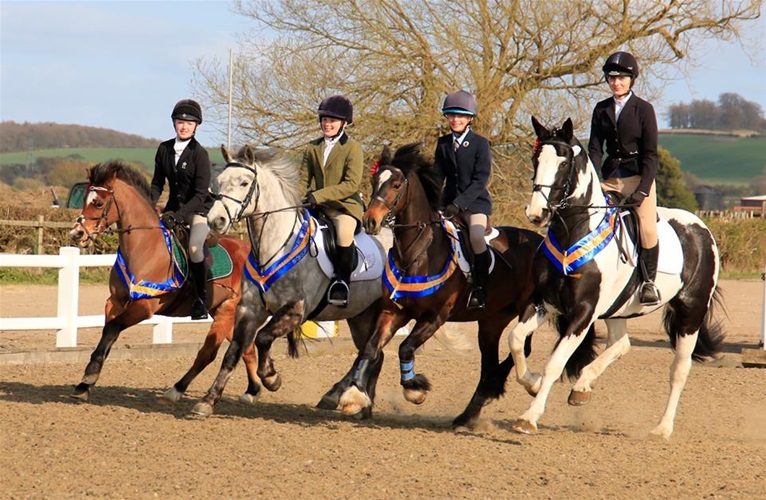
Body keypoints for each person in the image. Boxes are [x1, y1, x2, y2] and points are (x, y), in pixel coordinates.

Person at [588, 51, 661, 305]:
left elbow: (651, 155)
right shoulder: (601, 109)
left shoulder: (644, 109)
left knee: (647, 228)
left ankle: (648, 282)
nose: (616, 82)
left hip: (638, 176)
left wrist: (643, 188)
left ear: (631, 80)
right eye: (611, 78)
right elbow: (595, 149)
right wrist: (593, 179)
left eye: (621, 78)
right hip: (609, 178)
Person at [150, 99, 215, 319]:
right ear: (174, 124)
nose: (184, 126)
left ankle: (201, 300)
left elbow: (199, 194)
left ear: (196, 126)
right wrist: (149, 205)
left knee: (195, 248)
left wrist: (179, 217)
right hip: (172, 211)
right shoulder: (164, 149)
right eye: (180, 122)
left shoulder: (200, 154)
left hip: (197, 211)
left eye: (189, 123)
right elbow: (157, 183)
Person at [299, 95, 365, 307]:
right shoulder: (312, 147)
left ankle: (341, 282)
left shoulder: (353, 148)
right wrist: (294, 198)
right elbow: (303, 179)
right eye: (325, 120)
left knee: (344, 233)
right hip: (316, 206)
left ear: (344, 123)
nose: (327, 124)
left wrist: (318, 195)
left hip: (344, 207)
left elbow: (351, 184)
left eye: (332, 121)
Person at [433, 90, 492, 311]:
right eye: (451, 115)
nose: (455, 120)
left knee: (476, 237)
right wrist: (434, 202)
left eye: (460, 116)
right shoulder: (443, 144)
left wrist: (459, 204)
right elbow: (437, 177)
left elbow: (480, 180)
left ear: (470, 119)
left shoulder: (480, 144)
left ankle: (480, 287)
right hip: (447, 204)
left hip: (474, 204)